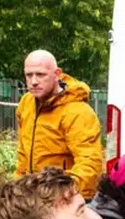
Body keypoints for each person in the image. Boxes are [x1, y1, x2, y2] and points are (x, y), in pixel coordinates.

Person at [13, 51, 104, 200]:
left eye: (41, 74)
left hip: (68, 198)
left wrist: (64, 194)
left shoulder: (77, 111)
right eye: (29, 75)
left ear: (57, 74)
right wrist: (16, 188)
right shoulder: (26, 103)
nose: (34, 81)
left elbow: (89, 162)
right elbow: (23, 153)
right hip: (33, 196)